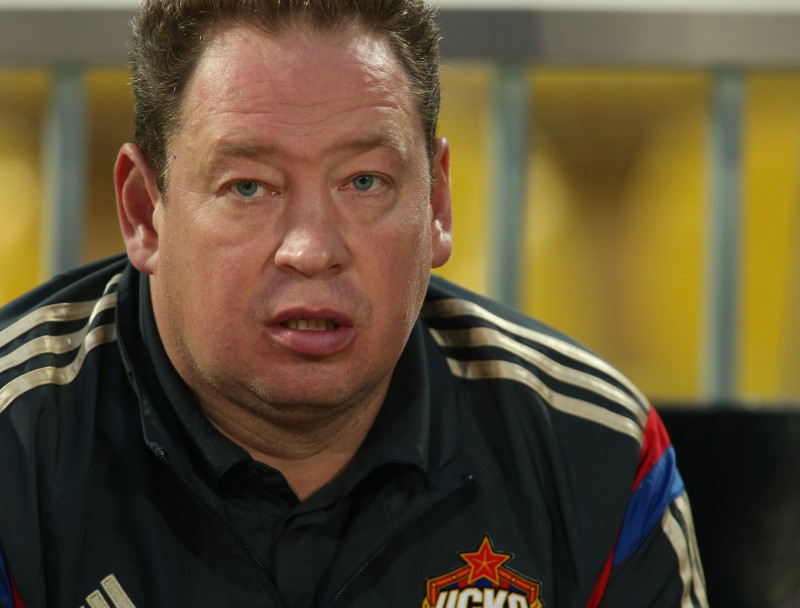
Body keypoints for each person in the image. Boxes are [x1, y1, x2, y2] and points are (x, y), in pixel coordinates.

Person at [0, 1, 707, 606]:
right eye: (249, 187)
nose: (312, 249)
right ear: (142, 213)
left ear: (436, 203)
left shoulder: (596, 457)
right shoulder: (15, 451)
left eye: (364, 182)